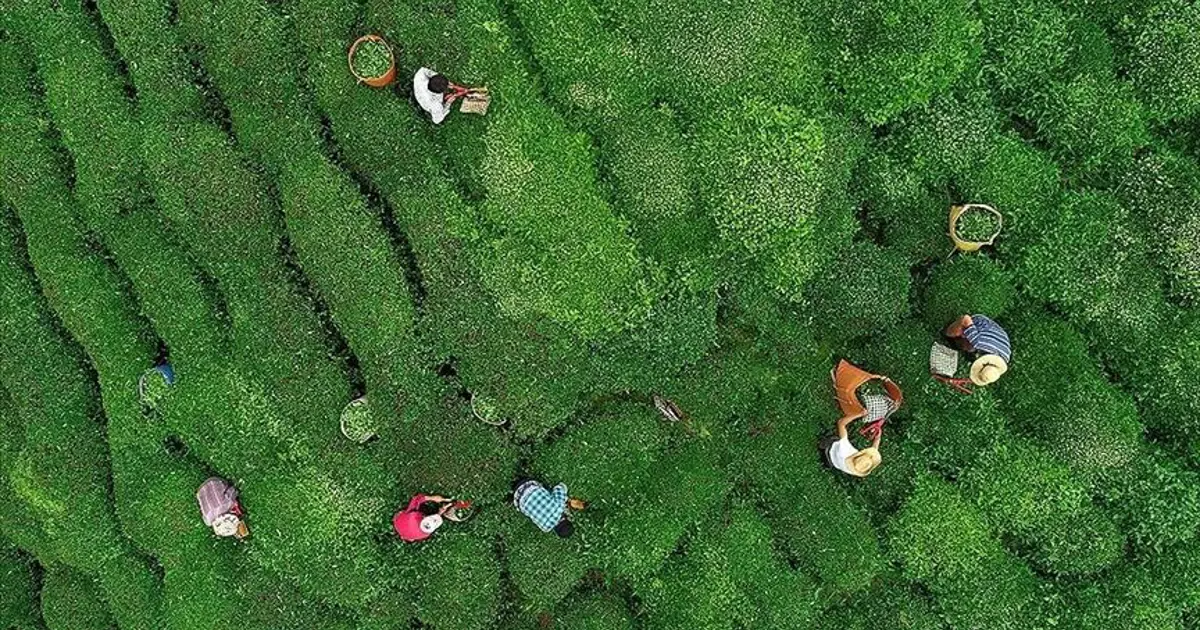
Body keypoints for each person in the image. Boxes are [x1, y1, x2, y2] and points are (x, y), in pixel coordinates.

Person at [944, 314, 1011, 387]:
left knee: (970, 348)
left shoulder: (1004, 360)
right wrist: (949, 332)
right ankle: (949, 332)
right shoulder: (977, 342)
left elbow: (987, 373)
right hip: (981, 322)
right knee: (963, 345)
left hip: (999, 335)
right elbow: (966, 319)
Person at [513, 480, 584, 537]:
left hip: (527, 484)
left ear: (567, 519)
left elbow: (560, 487)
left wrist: (565, 498)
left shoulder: (560, 507)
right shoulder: (545, 528)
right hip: (517, 500)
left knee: (550, 492)